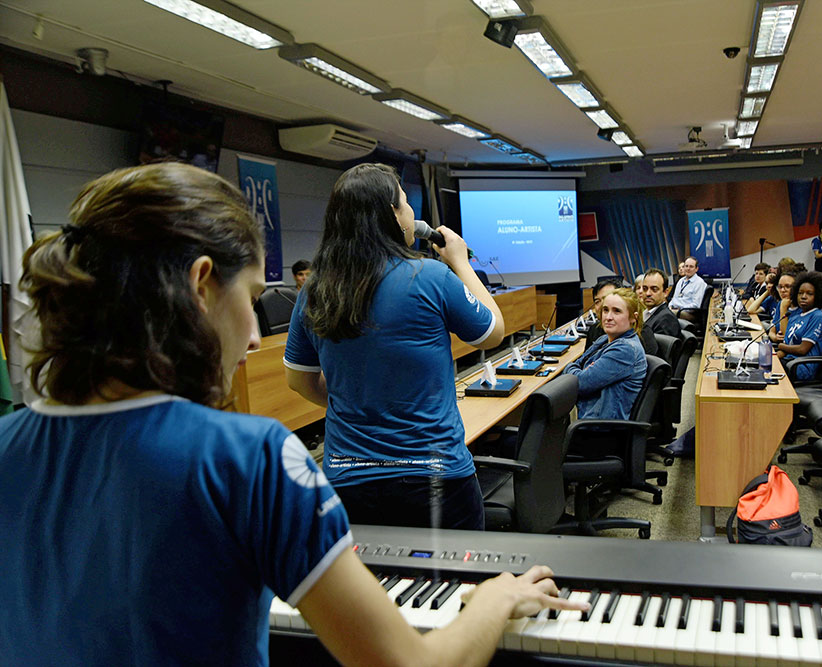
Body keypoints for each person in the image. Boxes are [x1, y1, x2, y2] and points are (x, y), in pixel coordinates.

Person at [0, 163, 583, 666]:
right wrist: (496, 600)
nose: (254, 338)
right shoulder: (248, 459)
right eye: (252, 298)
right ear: (201, 285)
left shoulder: (8, 443)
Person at [284, 163, 504, 531]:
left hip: (349, 481)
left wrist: (359, 401)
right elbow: (493, 332)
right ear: (393, 215)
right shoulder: (431, 277)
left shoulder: (316, 288)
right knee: (455, 587)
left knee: (370, 586)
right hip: (436, 479)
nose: (412, 213)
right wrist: (460, 263)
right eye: (406, 203)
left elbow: (299, 381)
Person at [563, 288, 647, 420]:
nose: (608, 317)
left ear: (633, 318)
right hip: (585, 416)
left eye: (617, 311)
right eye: (605, 310)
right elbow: (578, 366)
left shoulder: (625, 350)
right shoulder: (605, 339)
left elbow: (580, 382)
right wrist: (577, 369)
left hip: (599, 427)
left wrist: (571, 368)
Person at [777, 271, 822, 381]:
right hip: (789, 362)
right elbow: (786, 346)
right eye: (800, 293)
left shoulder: (817, 316)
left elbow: (802, 349)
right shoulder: (794, 316)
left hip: (803, 367)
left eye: (809, 294)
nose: (803, 297)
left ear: (818, 295)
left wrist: (780, 347)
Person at [584, 278, 658, 355]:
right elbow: (584, 361)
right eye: (597, 302)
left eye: (607, 298)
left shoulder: (642, 335)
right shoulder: (594, 330)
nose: (602, 306)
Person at [640, 267, 682, 338]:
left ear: (665, 292)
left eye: (654, 289)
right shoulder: (647, 313)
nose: (648, 293)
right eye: (645, 289)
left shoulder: (667, 320)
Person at [668, 256, 706, 320]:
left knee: (666, 315)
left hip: (688, 313)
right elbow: (674, 298)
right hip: (676, 310)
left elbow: (696, 305)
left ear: (696, 269)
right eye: (686, 266)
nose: (688, 268)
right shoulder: (680, 281)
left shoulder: (699, 283)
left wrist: (680, 308)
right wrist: (670, 306)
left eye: (691, 266)